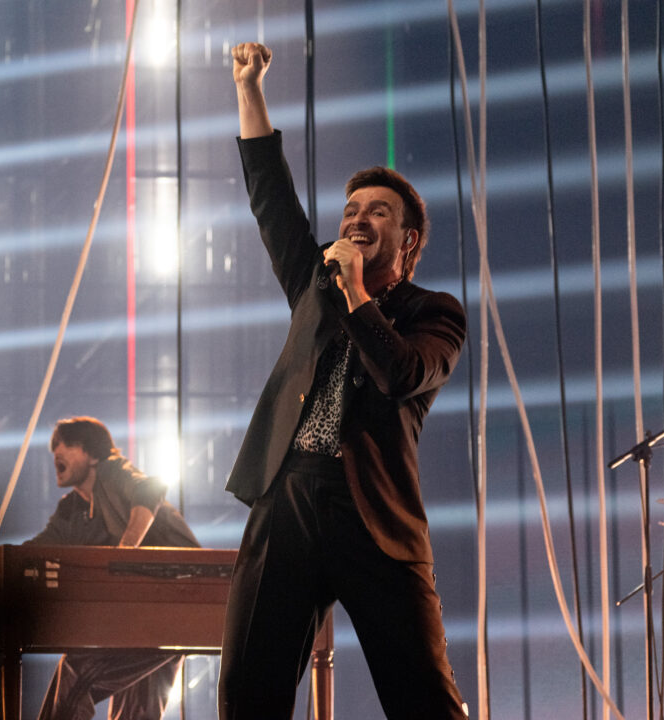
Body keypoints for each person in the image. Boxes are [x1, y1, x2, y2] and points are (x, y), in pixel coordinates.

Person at [218, 42, 469, 719]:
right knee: (248, 692)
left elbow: (403, 375)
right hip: (289, 492)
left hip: (374, 513)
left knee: (424, 697)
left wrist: (358, 294)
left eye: (378, 212)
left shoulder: (433, 313)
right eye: (352, 208)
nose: (357, 218)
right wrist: (249, 88)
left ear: (409, 241)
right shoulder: (313, 286)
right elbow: (271, 196)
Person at [27, 416, 200, 720]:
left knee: (77, 672)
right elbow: (37, 549)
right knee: (138, 712)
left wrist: (127, 549)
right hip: (140, 613)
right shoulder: (72, 511)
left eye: (68, 444)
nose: (57, 451)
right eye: (55, 445)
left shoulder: (111, 471)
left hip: (180, 598)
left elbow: (149, 488)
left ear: (93, 454)